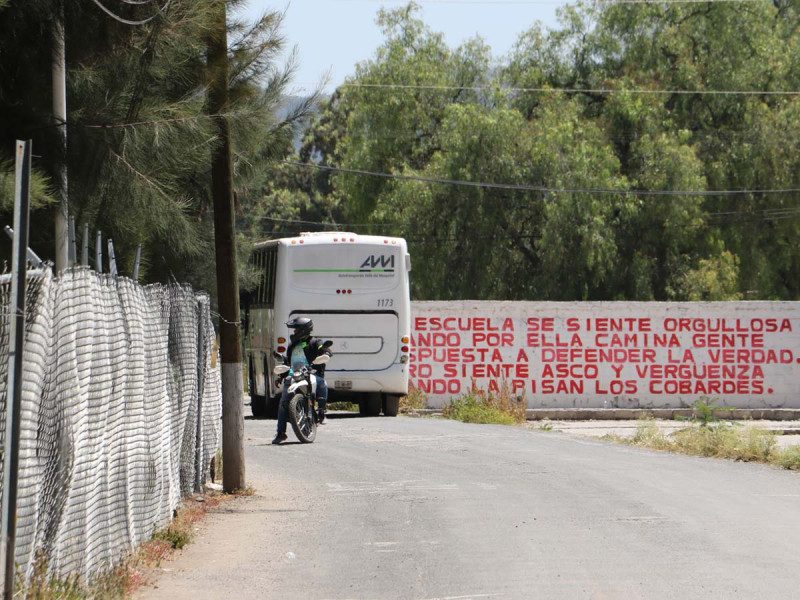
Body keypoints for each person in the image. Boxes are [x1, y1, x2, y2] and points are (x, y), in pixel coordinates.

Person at [272, 317, 332, 444]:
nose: (294, 332)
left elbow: (325, 350)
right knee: (283, 404)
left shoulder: (316, 342)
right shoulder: (291, 345)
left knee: (322, 383)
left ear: (304, 330)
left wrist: (325, 354)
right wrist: (281, 377)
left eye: (296, 329)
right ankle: (280, 433)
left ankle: (322, 411)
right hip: (294, 375)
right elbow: (288, 363)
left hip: (311, 373)